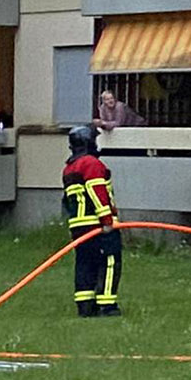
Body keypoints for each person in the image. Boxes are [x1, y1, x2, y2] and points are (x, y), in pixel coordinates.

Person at [62, 125, 122, 317]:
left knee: (85, 263)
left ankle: (85, 306)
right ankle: (107, 305)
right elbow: (97, 192)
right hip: (97, 226)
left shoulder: (69, 168)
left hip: (79, 226)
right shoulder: (91, 164)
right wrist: (107, 221)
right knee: (110, 260)